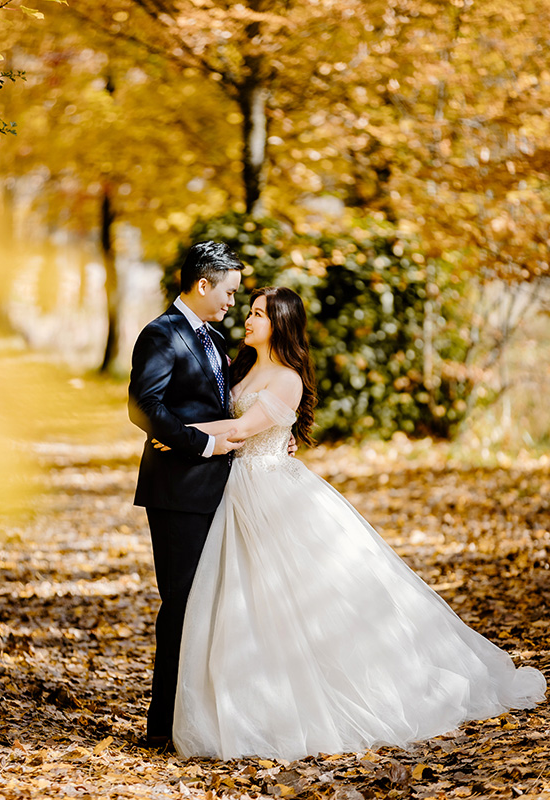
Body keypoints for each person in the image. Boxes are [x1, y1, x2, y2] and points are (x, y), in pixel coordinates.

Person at [172, 286, 546, 761]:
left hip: (272, 491)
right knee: (242, 599)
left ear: (280, 324)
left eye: (259, 314)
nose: (248, 319)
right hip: (237, 490)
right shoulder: (239, 367)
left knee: (305, 597)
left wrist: (174, 432)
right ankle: (251, 701)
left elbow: (244, 431)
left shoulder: (287, 379)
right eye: (249, 311)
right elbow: (232, 419)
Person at [127, 240, 246, 749]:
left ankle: (203, 716)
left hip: (222, 490)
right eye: (229, 292)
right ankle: (163, 725)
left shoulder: (215, 339)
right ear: (203, 283)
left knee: (216, 604)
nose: (232, 303)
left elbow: (227, 405)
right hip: (177, 491)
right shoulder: (161, 334)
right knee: (181, 604)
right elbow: (142, 406)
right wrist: (199, 442)